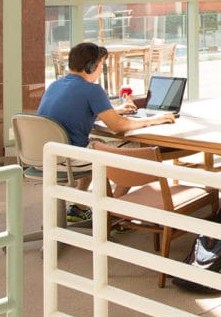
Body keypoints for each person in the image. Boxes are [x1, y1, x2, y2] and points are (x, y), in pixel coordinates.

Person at [39, 41, 175, 221]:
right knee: (134, 149)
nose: (101, 69)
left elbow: (73, 112)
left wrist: (113, 111)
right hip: (69, 158)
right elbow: (118, 126)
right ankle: (115, 212)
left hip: (44, 156)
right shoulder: (91, 89)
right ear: (90, 66)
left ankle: (78, 208)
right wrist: (154, 119)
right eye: (101, 65)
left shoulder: (56, 85)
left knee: (94, 145)